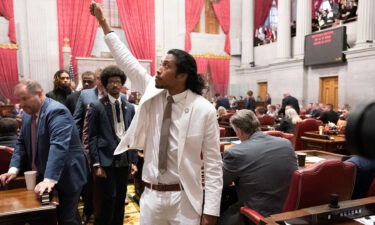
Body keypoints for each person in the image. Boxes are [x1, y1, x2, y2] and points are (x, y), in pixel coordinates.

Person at [90, 2, 223, 225]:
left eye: (166, 66)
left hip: (185, 199)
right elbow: (126, 59)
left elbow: (213, 164)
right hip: (150, 195)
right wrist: (103, 22)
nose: (158, 69)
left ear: (182, 76)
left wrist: (210, 212)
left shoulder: (204, 109)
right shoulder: (152, 89)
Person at [0, 80, 87, 225]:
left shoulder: (56, 111)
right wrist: (13, 169)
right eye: (18, 100)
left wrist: (49, 179)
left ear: (39, 94)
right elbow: (21, 142)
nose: (20, 104)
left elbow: (58, 146)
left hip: (67, 174)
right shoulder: (28, 114)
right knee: (56, 216)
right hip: (43, 175)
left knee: (66, 218)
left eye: (24, 98)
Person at [219, 110, 297, 225]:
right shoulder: (285, 143)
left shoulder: (235, 153)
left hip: (258, 215)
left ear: (239, 130)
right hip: (288, 212)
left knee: (218, 214)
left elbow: (219, 182)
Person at [88, 66, 137, 225]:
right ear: (105, 84)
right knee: (108, 198)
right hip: (106, 159)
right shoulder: (97, 106)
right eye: (111, 82)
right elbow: (93, 136)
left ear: (122, 84)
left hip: (123, 159)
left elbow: (132, 135)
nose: (115, 85)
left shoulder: (129, 107)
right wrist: (96, 163)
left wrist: (134, 160)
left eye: (118, 82)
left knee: (121, 197)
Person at [73, 68, 106, 223]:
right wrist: (77, 145)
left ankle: (104, 211)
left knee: (106, 182)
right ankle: (88, 210)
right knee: (88, 181)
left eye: (103, 78)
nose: (100, 81)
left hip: (107, 147)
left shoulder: (117, 95)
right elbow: (77, 120)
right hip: (87, 146)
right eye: (98, 78)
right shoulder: (85, 94)